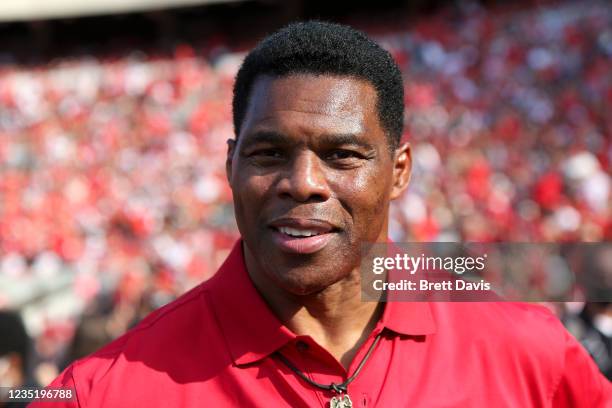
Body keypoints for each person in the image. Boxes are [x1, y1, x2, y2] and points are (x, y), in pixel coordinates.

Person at [30, 21, 610, 407]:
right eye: (269, 153)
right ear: (230, 165)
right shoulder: (105, 391)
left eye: (342, 155)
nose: (303, 184)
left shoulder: (529, 350)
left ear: (400, 171)